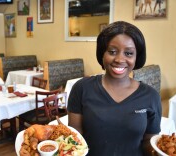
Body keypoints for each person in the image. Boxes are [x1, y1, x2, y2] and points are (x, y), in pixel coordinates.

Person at [67, 21, 162, 156]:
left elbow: (149, 142)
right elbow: (74, 137)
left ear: (137, 57)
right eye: (112, 51)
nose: (119, 59)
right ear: (102, 53)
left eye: (128, 53)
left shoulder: (151, 96)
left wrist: (164, 152)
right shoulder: (82, 88)